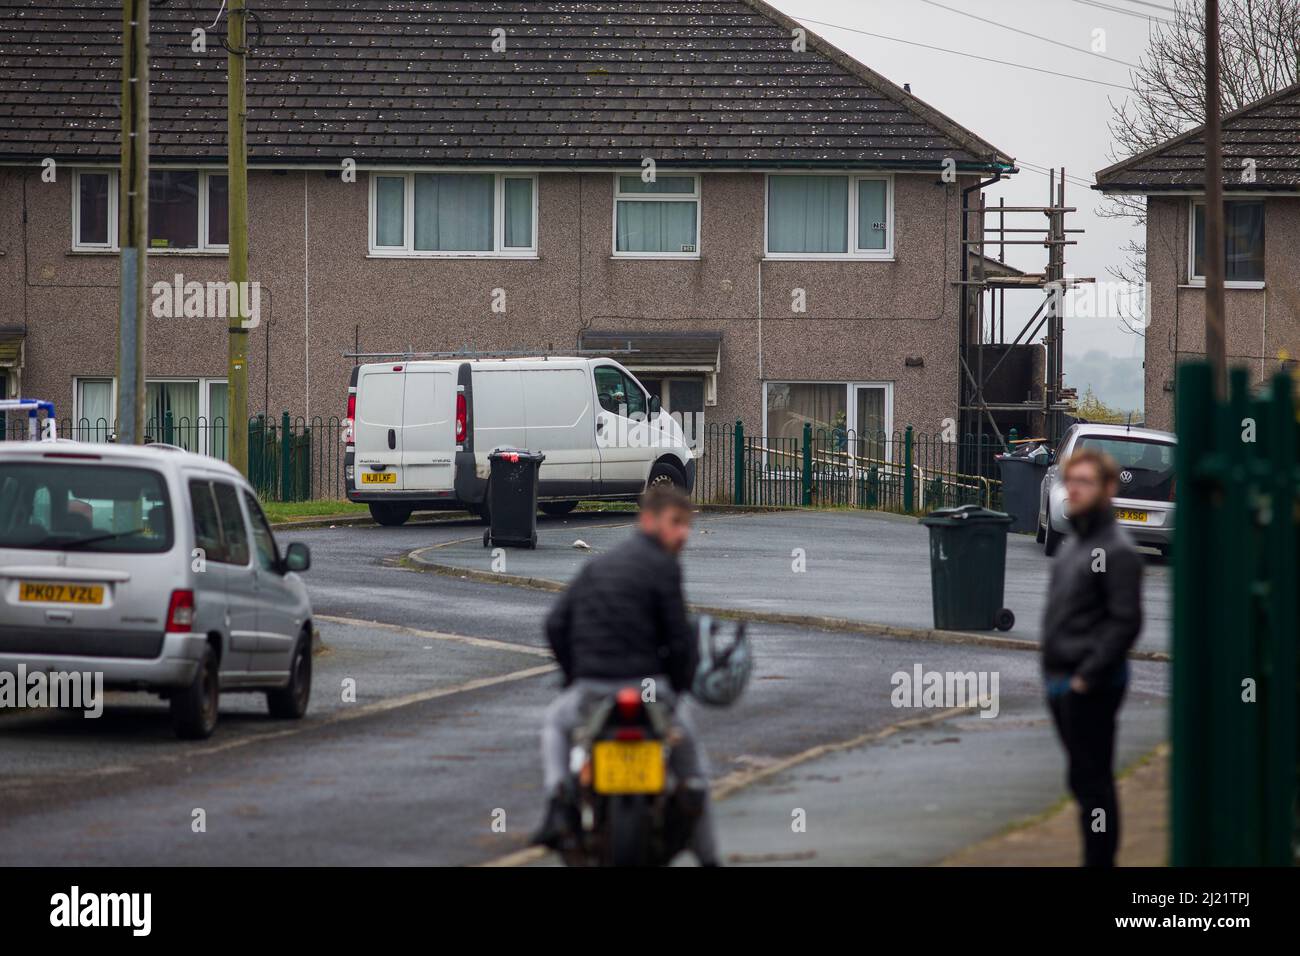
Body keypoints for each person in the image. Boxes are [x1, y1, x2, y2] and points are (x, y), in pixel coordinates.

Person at [531, 483, 718, 865]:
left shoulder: (596, 566)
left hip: (592, 689)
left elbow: (554, 624)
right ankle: (710, 857)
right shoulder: (664, 567)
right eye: (675, 523)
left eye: (687, 525)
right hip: (651, 692)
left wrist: (574, 676)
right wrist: (678, 689)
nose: (683, 533)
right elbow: (680, 641)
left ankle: (556, 802)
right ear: (648, 521)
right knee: (693, 770)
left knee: (554, 724)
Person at [1041, 446, 1143, 867]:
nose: (1075, 490)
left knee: (1094, 783)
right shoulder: (1074, 544)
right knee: (1083, 780)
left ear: (1107, 489)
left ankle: (1100, 862)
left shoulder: (1115, 550)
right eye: (1071, 482)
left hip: (1090, 685)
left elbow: (1125, 622)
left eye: (1085, 482)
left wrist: (1087, 677)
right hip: (1061, 681)